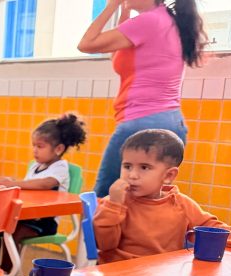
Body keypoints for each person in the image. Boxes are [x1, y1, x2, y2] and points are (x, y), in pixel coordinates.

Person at [78, 0, 206, 198]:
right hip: (172, 122)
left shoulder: (148, 21)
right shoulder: (168, 20)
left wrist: (111, 6)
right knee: (145, 202)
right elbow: (117, 54)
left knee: (106, 197)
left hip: (141, 122)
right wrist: (123, 11)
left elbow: (86, 44)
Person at [93, 129, 231, 263]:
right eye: (127, 166)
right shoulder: (114, 203)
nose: (132, 175)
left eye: (144, 167)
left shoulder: (182, 204)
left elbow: (217, 231)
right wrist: (114, 206)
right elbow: (105, 245)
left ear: (169, 175)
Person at [0, 113, 88, 271]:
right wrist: (11, 181)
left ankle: (7, 272)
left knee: (12, 233)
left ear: (58, 149)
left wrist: (14, 183)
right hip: (25, 217)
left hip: (44, 223)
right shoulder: (35, 165)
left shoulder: (60, 167)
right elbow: (29, 185)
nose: (34, 150)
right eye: (33, 145)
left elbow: (45, 184)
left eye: (40, 146)